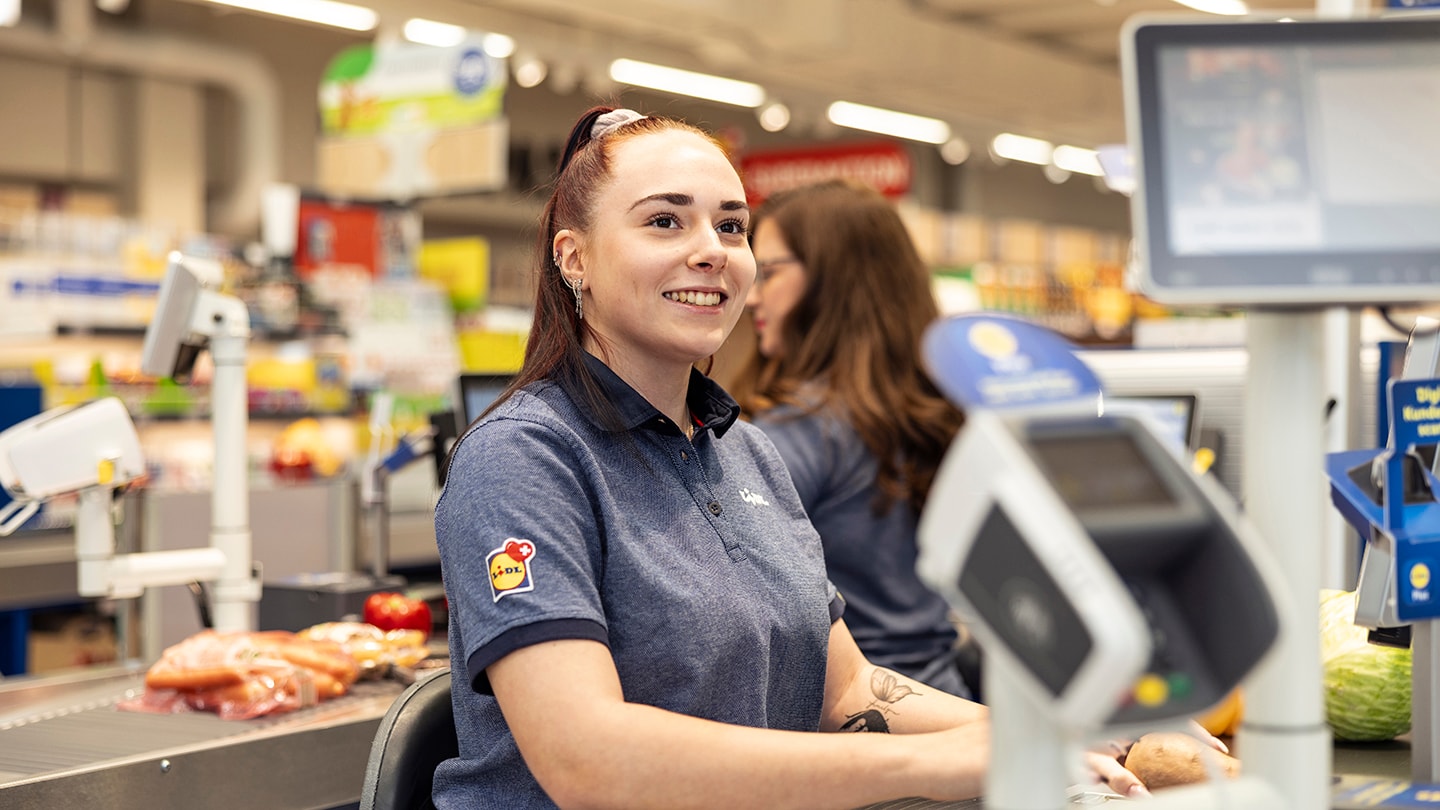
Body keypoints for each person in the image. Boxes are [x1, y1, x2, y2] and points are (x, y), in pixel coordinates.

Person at [432, 105, 1147, 809]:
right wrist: (926, 763)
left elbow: (844, 690)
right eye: (664, 221)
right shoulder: (523, 459)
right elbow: (587, 761)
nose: (711, 248)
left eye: (732, 225)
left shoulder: (746, 451)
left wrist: (1065, 738)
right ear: (573, 257)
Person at [731, 178, 974, 698]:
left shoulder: (793, 432)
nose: (752, 296)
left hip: (856, 723)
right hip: (945, 698)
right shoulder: (939, 410)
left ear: (834, 282)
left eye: (769, 273)